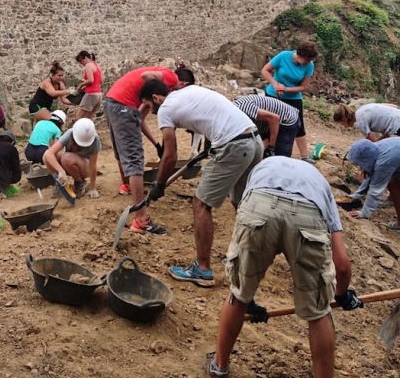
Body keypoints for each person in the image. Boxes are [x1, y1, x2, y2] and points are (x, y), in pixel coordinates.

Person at [206, 156, 362, 378]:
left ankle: (219, 366)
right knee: (318, 312)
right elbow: (343, 266)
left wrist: (247, 298)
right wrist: (342, 294)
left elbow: (244, 212)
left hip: (258, 204)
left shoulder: (259, 169)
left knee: (238, 293)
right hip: (308, 213)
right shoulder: (321, 186)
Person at [141, 80, 262, 286]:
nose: (151, 113)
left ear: (156, 98)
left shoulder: (166, 109)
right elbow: (212, 114)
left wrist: (159, 184)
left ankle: (202, 270)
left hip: (233, 145)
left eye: (149, 107)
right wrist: (211, 144)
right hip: (253, 139)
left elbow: (170, 156)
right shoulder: (189, 91)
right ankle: (249, 257)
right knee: (242, 202)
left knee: (200, 204)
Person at [104, 66, 185, 235]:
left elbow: (138, 119)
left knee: (123, 150)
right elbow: (146, 75)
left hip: (113, 101)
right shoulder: (170, 79)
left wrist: (156, 144)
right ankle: (141, 220)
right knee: (134, 160)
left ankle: (127, 185)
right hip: (123, 105)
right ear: (182, 85)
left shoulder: (150, 93)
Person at [261, 41, 317, 163]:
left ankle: (304, 157)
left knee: (298, 126)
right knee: (269, 123)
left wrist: (285, 89)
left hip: (293, 98)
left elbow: (303, 87)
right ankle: (266, 150)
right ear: (299, 55)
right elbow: (265, 70)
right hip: (272, 94)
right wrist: (275, 84)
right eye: (307, 59)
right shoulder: (283, 56)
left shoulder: (309, 65)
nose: (309, 62)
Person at [43, 118, 101, 199]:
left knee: (66, 158)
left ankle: (80, 183)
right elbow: (48, 154)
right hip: (70, 165)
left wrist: (93, 188)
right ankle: (59, 183)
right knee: (46, 157)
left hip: (85, 167)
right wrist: (60, 171)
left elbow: (93, 165)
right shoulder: (69, 133)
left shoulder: (95, 139)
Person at [233, 94, 300, 157]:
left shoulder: (243, 108)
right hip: (267, 123)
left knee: (279, 156)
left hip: (286, 118)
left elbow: (274, 119)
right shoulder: (234, 112)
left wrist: (271, 147)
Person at [333, 103, 400, 141]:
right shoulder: (363, 109)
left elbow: (374, 143)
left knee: (389, 152)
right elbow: (391, 105)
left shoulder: (360, 122)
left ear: (344, 119)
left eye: (342, 123)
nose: (343, 126)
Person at [75, 51, 103, 119]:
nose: (82, 64)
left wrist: (81, 85)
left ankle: (78, 129)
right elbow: (101, 81)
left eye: (81, 61)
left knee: (79, 117)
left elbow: (91, 80)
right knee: (89, 118)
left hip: (91, 94)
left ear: (85, 58)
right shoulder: (96, 65)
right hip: (99, 94)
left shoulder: (88, 65)